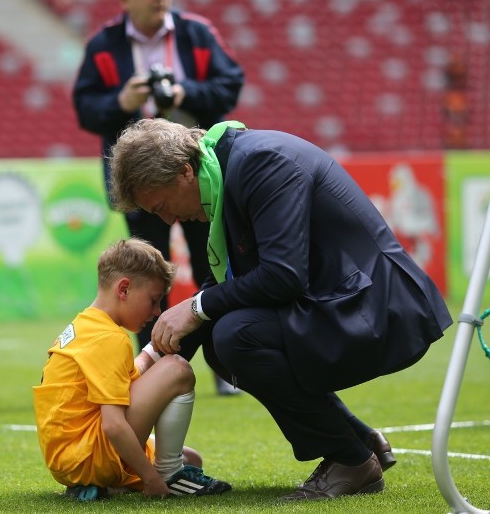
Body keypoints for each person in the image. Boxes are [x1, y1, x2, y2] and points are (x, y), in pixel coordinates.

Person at [108, 118, 453, 501]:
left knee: (235, 337)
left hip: (379, 307)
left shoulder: (261, 162)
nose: (169, 220)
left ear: (185, 171)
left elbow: (283, 276)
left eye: (161, 206)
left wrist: (197, 306)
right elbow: (232, 285)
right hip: (342, 301)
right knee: (223, 340)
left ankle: (351, 460)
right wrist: (151, 358)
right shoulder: (226, 169)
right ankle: (356, 438)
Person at [72, 0, 245, 395]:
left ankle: (224, 369)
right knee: (146, 271)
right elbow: (85, 109)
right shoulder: (103, 45)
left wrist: (183, 92)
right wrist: (122, 104)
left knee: (217, 265)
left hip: (198, 177)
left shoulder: (196, 32)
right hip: (141, 183)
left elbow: (230, 85)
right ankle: (149, 368)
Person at [32, 237, 232, 501]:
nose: (157, 311)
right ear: (124, 289)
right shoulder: (110, 339)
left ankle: (97, 485)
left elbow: (127, 374)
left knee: (192, 458)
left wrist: (154, 349)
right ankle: (169, 476)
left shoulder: (87, 325)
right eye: (153, 300)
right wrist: (152, 478)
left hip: (70, 459)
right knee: (178, 369)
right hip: (90, 454)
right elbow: (113, 425)